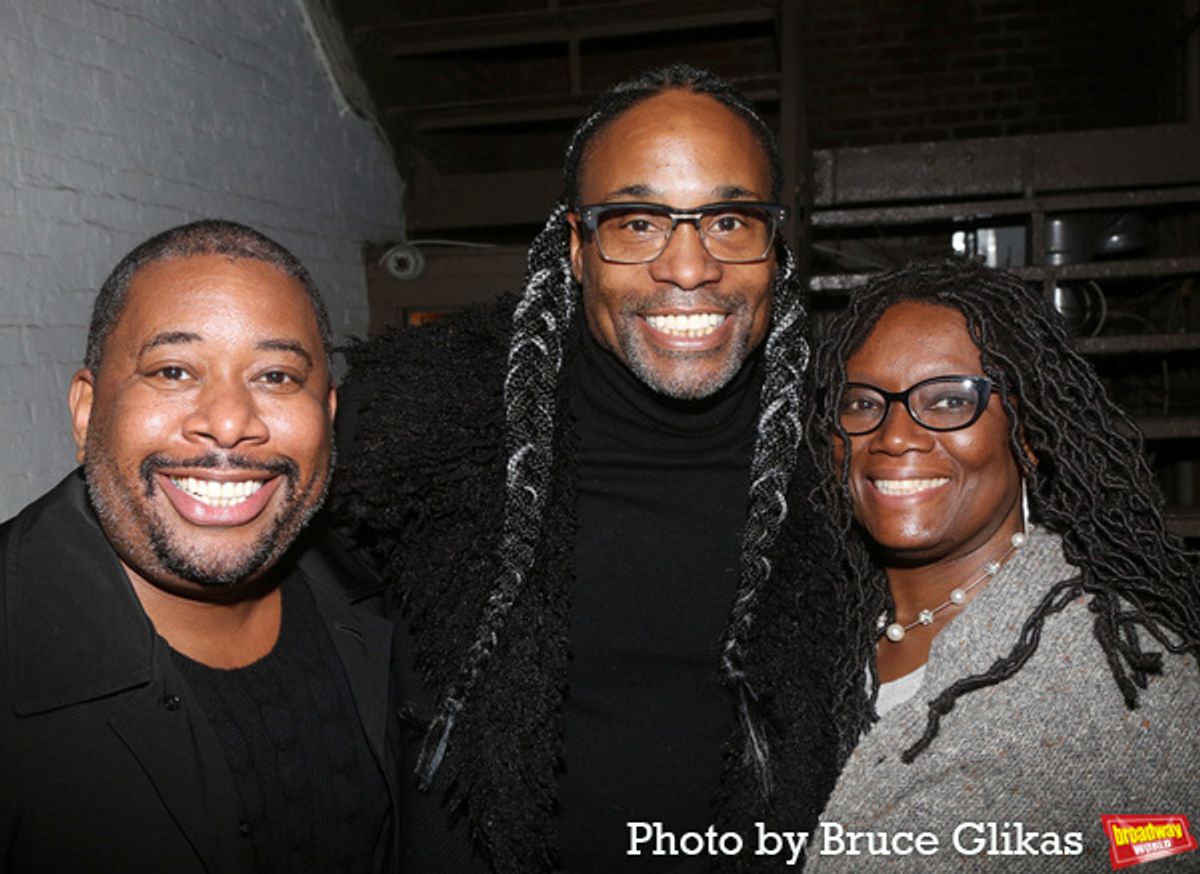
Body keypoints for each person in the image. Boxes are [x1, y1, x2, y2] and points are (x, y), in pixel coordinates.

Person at [333, 65, 843, 872]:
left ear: (773, 245)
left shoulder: (847, 444)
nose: (688, 267)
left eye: (730, 220)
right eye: (637, 223)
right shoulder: (426, 423)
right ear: (575, 247)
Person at [0, 220, 399, 873]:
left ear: (327, 416)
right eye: (174, 370)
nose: (229, 420)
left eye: (274, 376)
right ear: (85, 411)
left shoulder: (392, 601)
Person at [804, 257, 1200, 870]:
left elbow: (1168, 846)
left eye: (949, 400)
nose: (895, 435)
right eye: (862, 402)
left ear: (1029, 434)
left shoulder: (1130, 677)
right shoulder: (797, 640)